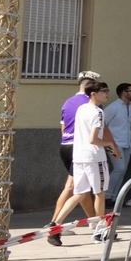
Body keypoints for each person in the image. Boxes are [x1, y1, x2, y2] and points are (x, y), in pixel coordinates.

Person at [50, 79, 118, 243]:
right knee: (100, 194)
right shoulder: (97, 112)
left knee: (79, 193)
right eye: (104, 91)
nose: (107, 94)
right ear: (93, 94)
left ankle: (55, 225)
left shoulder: (81, 109)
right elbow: (93, 139)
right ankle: (100, 231)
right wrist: (109, 144)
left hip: (79, 157)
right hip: (94, 157)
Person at [51, 70, 100, 231]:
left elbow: (63, 127)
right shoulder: (91, 103)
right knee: (72, 186)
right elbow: (98, 128)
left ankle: (93, 220)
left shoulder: (67, 102)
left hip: (65, 144)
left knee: (81, 187)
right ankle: (54, 224)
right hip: (80, 147)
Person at [102, 83, 131, 205]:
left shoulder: (130, 108)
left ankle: (114, 198)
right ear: (124, 93)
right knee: (119, 168)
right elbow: (102, 124)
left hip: (127, 144)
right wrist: (107, 143)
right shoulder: (113, 107)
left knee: (123, 170)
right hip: (113, 144)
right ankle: (106, 196)